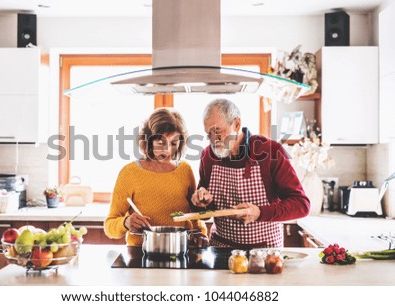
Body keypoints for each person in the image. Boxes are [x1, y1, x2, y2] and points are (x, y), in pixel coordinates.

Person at [191, 99, 310, 249]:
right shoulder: (208, 156)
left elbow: (301, 205)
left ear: (236, 124)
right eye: (209, 134)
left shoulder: (271, 152)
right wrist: (202, 202)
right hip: (220, 249)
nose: (213, 140)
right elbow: (205, 213)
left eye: (218, 132)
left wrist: (259, 212)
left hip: (264, 252)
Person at [105, 108, 208, 247]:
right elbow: (110, 226)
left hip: (180, 249)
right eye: (160, 142)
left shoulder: (185, 170)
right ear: (148, 140)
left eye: (173, 143)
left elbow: (194, 217)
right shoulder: (129, 173)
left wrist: (199, 233)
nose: (167, 150)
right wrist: (126, 222)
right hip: (141, 253)